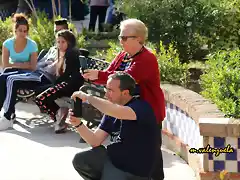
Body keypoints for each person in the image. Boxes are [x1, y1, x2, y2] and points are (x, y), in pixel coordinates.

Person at [83, 18, 165, 180]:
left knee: (152, 151)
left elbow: (128, 78)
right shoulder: (123, 55)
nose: (121, 41)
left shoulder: (147, 58)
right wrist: (94, 76)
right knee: (129, 146)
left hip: (146, 112)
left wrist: (98, 76)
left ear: (139, 39)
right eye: (120, 37)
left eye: (125, 37)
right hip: (126, 108)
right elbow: (111, 76)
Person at [69, 72, 159, 180]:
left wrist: (88, 97)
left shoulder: (141, 108)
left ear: (125, 93)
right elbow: (95, 140)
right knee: (81, 159)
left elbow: (118, 112)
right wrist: (78, 124)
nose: (106, 94)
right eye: (106, 89)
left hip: (135, 169)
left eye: (111, 90)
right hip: (113, 160)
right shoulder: (111, 113)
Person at [35, 30, 84, 133]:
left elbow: (67, 74)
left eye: (63, 42)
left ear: (69, 42)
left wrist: (55, 85)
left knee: (40, 99)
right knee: (38, 91)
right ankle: (59, 115)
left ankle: (58, 118)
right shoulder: (63, 53)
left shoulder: (71, 53)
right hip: (65, 83)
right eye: (58, 42)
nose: (60, 45)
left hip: (70, 85)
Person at [0, 13, 38, 130]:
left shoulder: (32, 45)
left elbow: (33, 67)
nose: (23, 33)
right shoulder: (7, 44)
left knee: (4, 78)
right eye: (20, 30)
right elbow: (5, 64)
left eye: (25, 31)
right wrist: (22, 64)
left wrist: (17, 65)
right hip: (11, 70)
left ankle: (8, 116)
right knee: (3, 77)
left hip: (26, 73)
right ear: (15, 30)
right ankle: (9, 114)